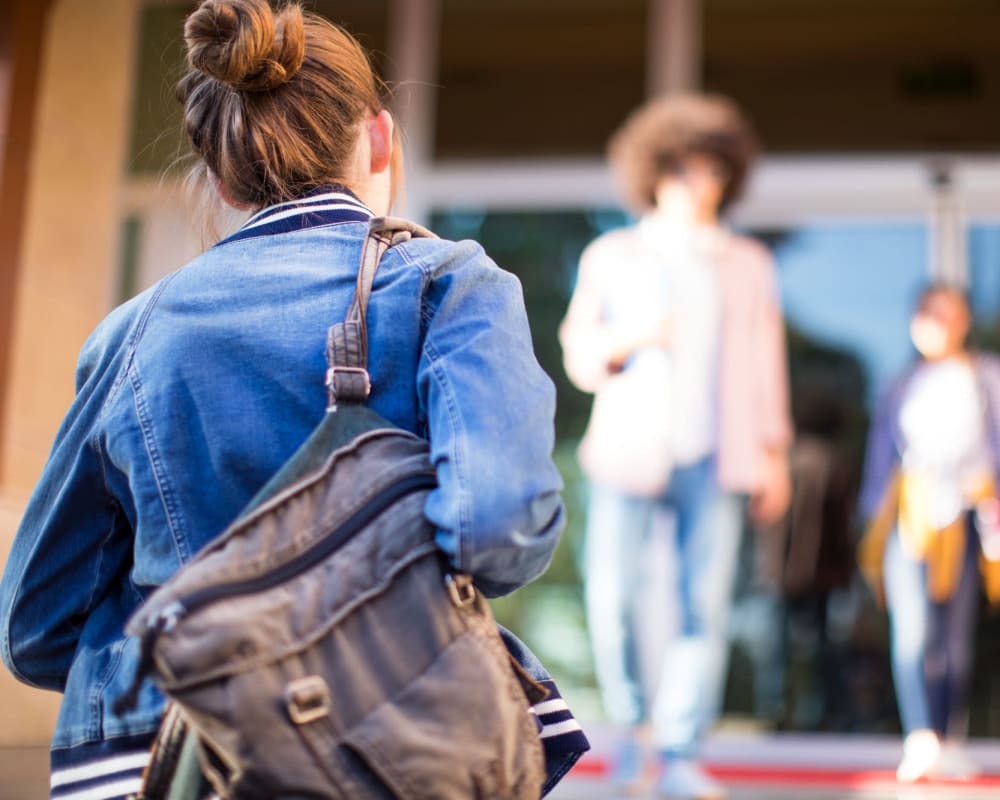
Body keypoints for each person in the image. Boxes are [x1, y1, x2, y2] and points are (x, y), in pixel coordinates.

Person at [0, 2, 575, 798]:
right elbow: (498, 527)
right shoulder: (451, 286)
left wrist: (206, 647)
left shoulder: (128, 334)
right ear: (380, 139)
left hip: (161, 758)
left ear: (222, 180)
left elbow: (36, 628)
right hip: (390, 746)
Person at [559, 94, 793, 799]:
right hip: (629, 451)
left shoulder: (748, 261)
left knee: (706, 603)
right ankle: (633, 736)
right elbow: (578, 352)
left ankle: (682, 751)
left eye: (714, 171)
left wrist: (774, 453)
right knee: (610, 598)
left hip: (716, 454)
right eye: (687, 169)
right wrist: (634, 338)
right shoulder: (614, 254)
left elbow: (766, 363)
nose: (701, 183)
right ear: (655, 172)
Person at [859, 284, 1000, 783]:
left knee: (955, 635)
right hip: (910, 516)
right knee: (914, 628)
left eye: (943, 314)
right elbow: (881, 458)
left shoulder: (985, 378)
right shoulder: (901, 384)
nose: (933, 324)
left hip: (965, 516)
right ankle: (920, 737)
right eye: (925, 314)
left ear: (962, 320)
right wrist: (870, 520)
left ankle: (947, 736)